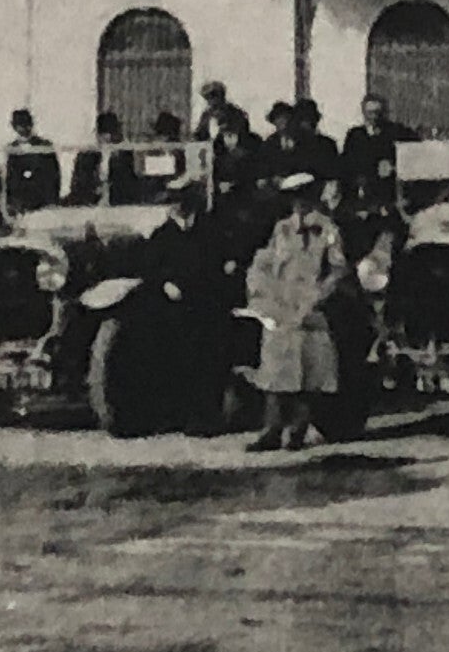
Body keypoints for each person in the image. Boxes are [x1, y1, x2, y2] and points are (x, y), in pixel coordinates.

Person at [244, 174, 352, 452]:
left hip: (311, 307)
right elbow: (266, 262)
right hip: (282, 306)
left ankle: (297, 431)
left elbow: (338, 269)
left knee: (308, 372)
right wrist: (264, 293)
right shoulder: (281, 230)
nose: (300, 206)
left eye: (305, 197)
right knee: (275, 371)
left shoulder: (328, 230)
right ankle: (271, 430)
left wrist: (320, 295)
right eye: (295, 199)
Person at [137, 176, 230, 434]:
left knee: (209, 363)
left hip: (207, 307)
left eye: (182, 201)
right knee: (178, 362)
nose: (177, 206)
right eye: (173, 201)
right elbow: (150, 271)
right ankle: (181, 415)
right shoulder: (161, 236)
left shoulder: (211, 230)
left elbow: (221, 263)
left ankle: (209, 417)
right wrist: (165, 283)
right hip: (175, 311)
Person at [3, 110, 59, 211]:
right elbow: (11, 178)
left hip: (42, 200)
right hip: (20, 202)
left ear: (31, 124)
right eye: (20, 125)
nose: (24, 128)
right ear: (14, 126)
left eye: (26, 124)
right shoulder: (13, 149)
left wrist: (51, 201)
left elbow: (53, 176)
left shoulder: (44, 147)